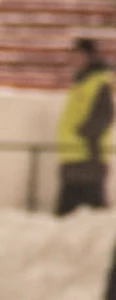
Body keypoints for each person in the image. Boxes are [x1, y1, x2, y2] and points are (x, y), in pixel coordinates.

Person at [56, 37, 115, 216]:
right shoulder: (81, 81)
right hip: (73, 155)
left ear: (89, 57)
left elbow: (105, 115)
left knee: (90, 215)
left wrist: (84, 134)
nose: (73, 59)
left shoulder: (97, 82)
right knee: (73, 216)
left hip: (88, 157)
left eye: (78, 55)